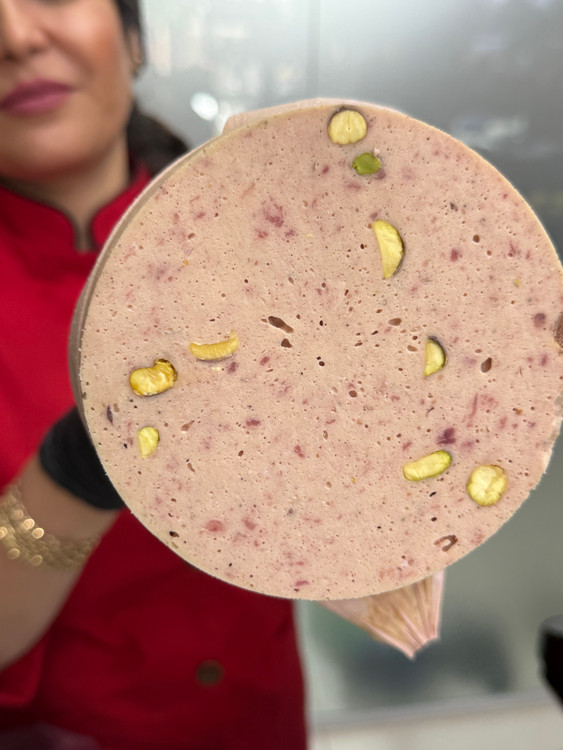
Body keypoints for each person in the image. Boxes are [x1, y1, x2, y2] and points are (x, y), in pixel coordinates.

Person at [0, 1, 307, 748]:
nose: (15, 37)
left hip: (260, 717)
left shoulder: (267, 233)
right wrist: (77, 466)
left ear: (134, 37)